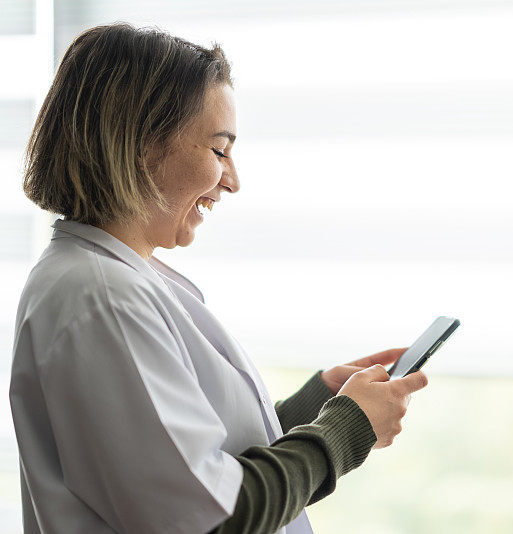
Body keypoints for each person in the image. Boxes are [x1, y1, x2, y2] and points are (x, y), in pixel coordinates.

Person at [8, 22, 428, 534]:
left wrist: (314, 407)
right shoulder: (100, 297)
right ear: (141, 143)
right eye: (219, 149)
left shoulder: (115, 279)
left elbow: (188, 463)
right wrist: (346, 430)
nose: (232, 180)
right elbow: (212, 518)